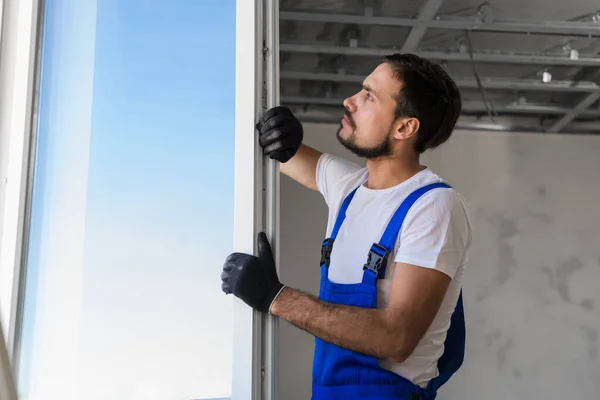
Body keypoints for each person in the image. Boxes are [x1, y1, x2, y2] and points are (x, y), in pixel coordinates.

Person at [220, 53, 473, 400]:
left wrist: (275, 297)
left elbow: (396, 338)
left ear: (404, 128)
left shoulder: (434, 206)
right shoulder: (351, 189)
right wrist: (277, 131)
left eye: (369, 96)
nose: (350, 101)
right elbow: (284, 153)